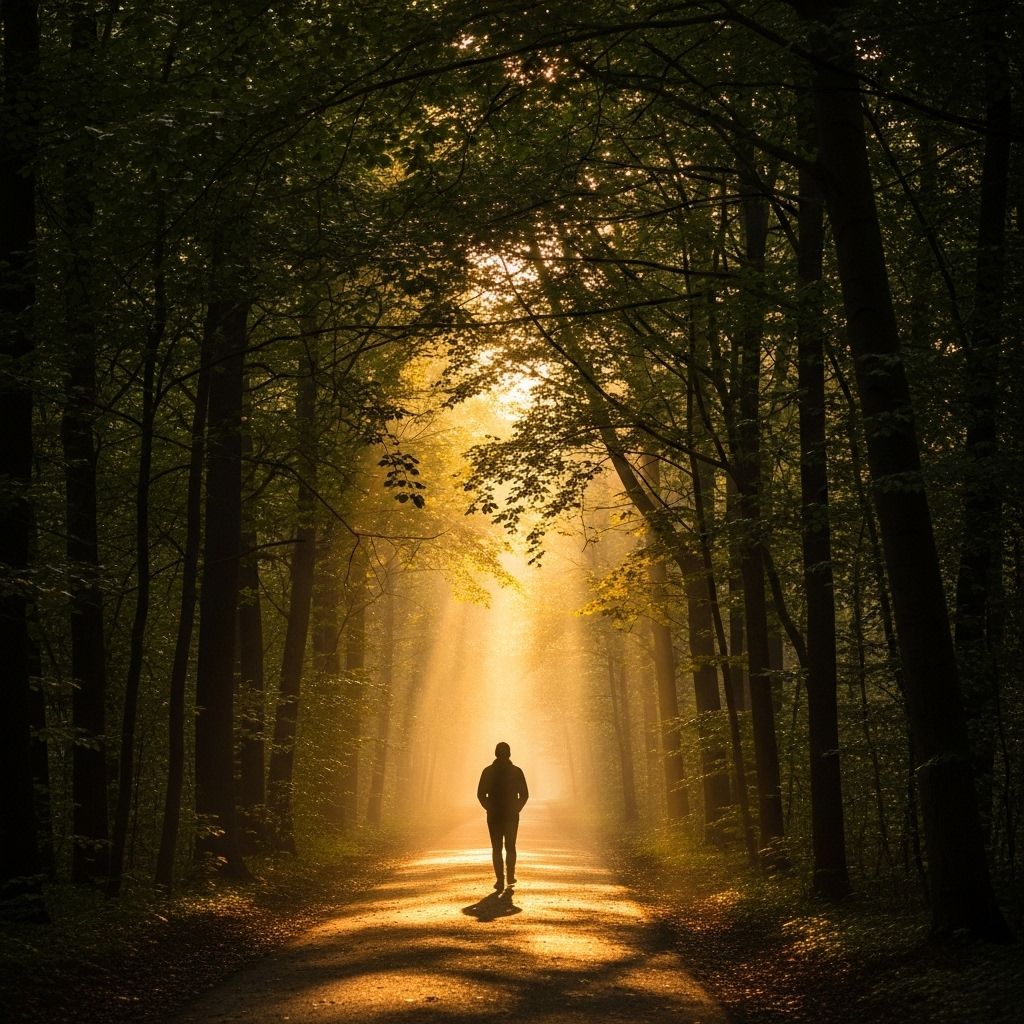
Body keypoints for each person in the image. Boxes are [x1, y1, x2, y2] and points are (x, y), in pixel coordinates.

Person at [477, 741, 529, 891]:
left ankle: (500, 880)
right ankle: (510, 876)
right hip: (511, 815)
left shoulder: (488, 771)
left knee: (497, 847)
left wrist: (489, 808)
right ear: (509, 754)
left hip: (494, 815)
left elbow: (481, 794)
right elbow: (524, 794)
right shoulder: (517, 771)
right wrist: (516, 808)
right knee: (510, 846)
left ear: (495, 753)